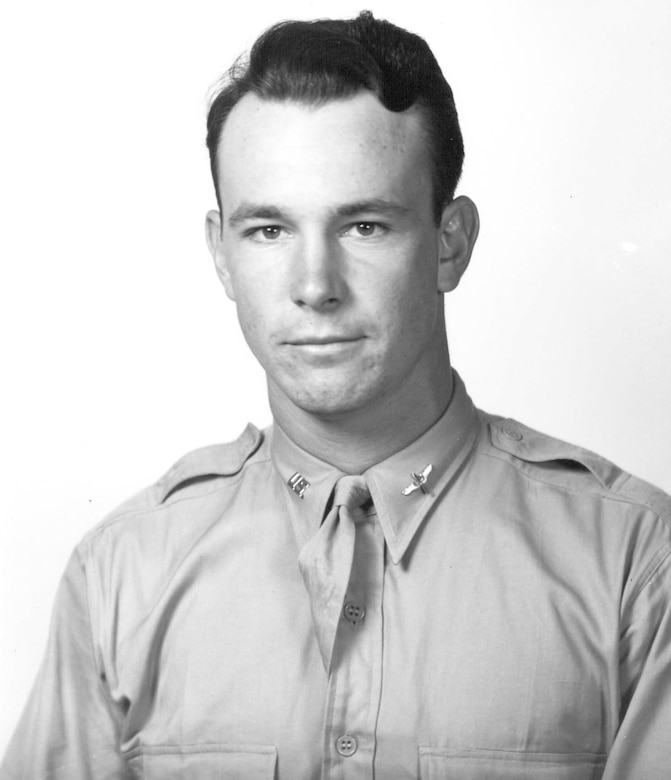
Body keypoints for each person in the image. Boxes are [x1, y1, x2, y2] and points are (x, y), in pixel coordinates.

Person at [2, 11, 670, 779]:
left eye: (363, 226)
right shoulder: (121, 574)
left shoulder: (635, 564)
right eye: (268, 231)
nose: (314, 287)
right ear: (220, 254)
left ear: (448, 242)